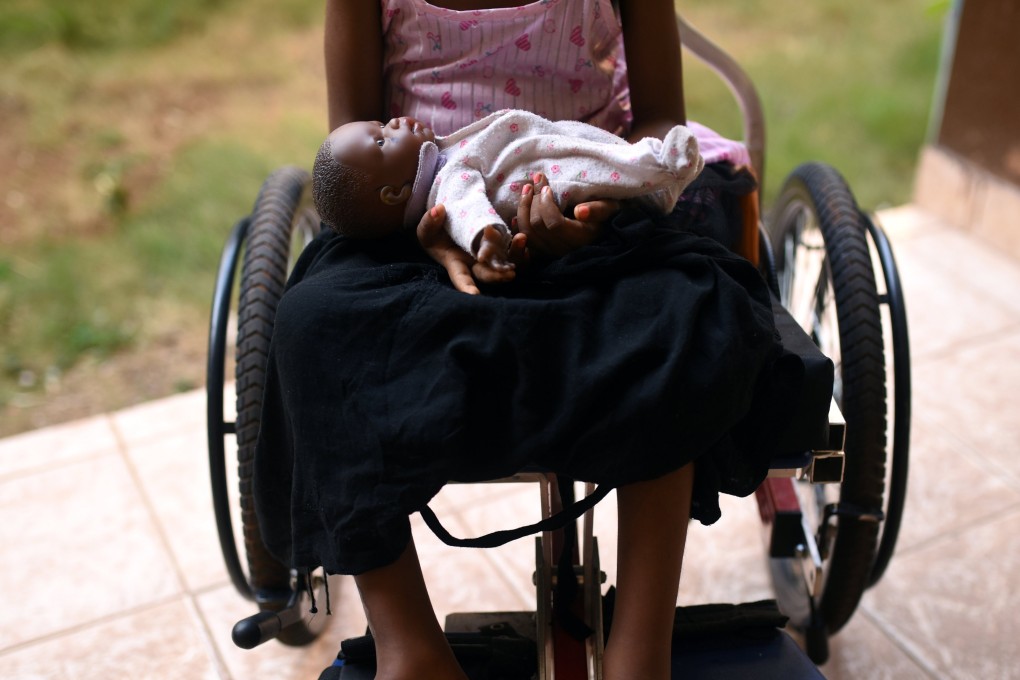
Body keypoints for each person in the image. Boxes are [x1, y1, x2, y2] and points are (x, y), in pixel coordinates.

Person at [253, 2, 784, 680]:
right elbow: (355, 147)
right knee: (309, 324)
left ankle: (639, 653)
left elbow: (658, 119)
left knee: (689, 313)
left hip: (588, 201)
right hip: (421, 227)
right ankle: (410, 648)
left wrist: (603, 205)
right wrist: (435, 224)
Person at [312, 110, 705, 293]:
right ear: (396, 193)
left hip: (545, 149)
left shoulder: (442, 160)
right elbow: (466, 208)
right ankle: (660, 171)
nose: (393, 122)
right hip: (542, 179)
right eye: (382, 139)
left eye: (381, 123)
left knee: (598, 156)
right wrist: (486, 239)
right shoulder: (444, 183)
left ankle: (653, 176)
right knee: (596, 167)